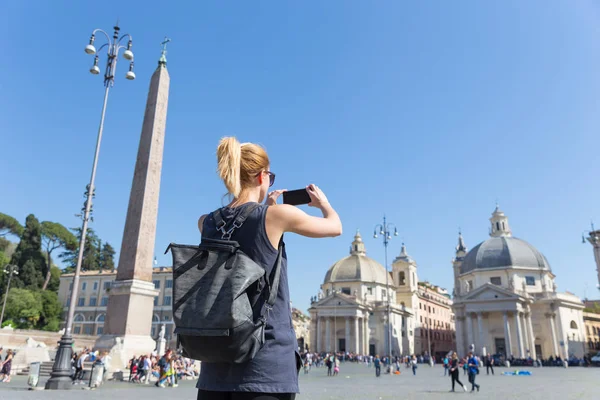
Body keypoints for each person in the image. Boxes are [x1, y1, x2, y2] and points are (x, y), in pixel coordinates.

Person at [196, 137, 342, 400]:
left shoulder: (206, 222)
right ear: (263, 176)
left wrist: (268, 211)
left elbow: (241, 232)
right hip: (264, 366)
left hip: (215, 366)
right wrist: (323, 203)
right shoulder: (277, 216)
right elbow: (335, 227)